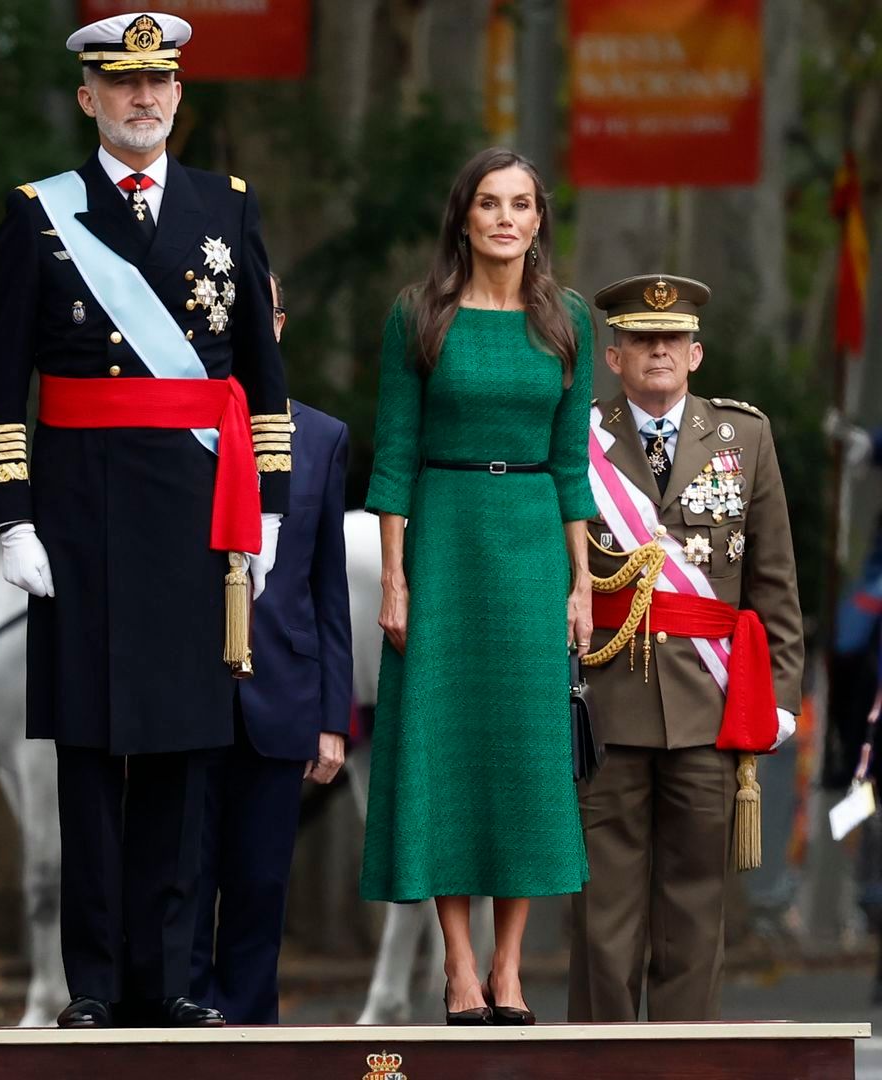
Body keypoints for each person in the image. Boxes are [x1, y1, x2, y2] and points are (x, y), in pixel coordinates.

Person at [0, 10, 290, 1028]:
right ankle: (97, 983)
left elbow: (264, 380)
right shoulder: (38, 216)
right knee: (88, 752)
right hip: (81, 513)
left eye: (159, 84)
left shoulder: (226, 208)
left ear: (179, 96)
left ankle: (172, 979)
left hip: (198, 513)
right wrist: (13, 518)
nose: (142, 99)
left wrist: (270, 511)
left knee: (186, 753)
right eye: (122, 84)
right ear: (88, 99)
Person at [359, 147, 594, 1026]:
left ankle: (510, 968)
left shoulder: (567, 319)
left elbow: (571, 463)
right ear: (463, 217)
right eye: (489, 203)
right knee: (442, 748)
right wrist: (395, 577)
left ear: (539, 221)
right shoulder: (418, 314)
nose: (505, 217)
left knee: (527, 756)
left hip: (531, 539)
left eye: (521, 204)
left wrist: (580, 582)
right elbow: (392, 455)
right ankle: (457, 967)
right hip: (445, 532)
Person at [569, 274, 803, 1022]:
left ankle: (682, 1064)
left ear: (696, 353)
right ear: (614, 356)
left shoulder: (746, 437)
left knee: (696, 910)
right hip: (605, 704)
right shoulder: (578, 437)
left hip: (710, 709)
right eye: (641, 339)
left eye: (671, 339)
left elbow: (774, 585)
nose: (657, 350)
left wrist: (783, 705)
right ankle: (598, 1071)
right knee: (602, 914)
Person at [190, 272, 351, 1023]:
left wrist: (333, 716)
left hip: (282, 695)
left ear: (280, 326)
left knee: (259, 886)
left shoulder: (321, 437)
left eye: (267, 313)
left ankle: (249, 1038)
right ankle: (176, 1029)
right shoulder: (176, 427)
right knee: (179, 882)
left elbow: (327, 593)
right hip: (183, 696)